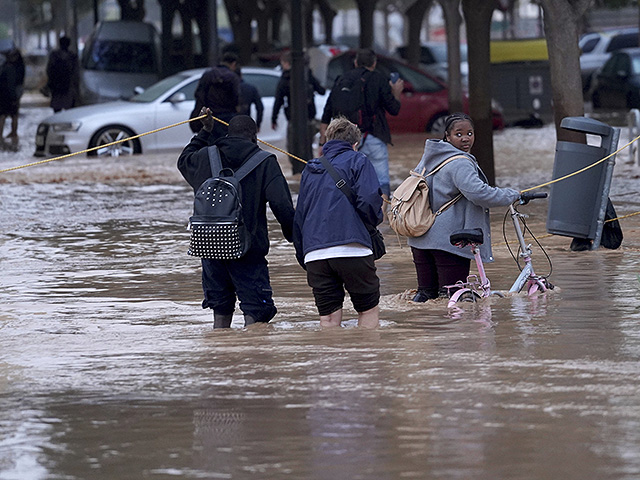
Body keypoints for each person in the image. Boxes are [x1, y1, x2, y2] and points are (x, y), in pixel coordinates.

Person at [178, 110, 295, 329]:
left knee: (220, 308)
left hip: (211, 248)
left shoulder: (205, 156)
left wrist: (205, 131)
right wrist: (294, 237)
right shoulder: (265, 161)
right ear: (254, 137)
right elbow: (282, 205)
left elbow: (183, 160)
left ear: (228, 133)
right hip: (248, 251)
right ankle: (251, 359)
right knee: (257, 312)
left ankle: (222, 357)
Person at [407, 113, 521, 302]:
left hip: (420, 238)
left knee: (426, 298)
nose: (466, 138)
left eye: (469, 133)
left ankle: (422, 331)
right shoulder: (460, 162)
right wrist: (513, 195)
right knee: (453, 299)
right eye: (458, 134)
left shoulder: (428, 159)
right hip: (449, 242)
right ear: (447, 136)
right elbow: (480, 194)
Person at [293, 117, 383, 329]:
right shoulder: (359, 161)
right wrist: (372, 223)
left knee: (328, 319)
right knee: (368, 311)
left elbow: (300, 216)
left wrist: (304, 254)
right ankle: (368, 361)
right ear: (355, 144)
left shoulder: (310, 169)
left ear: (327, 140)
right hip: (353, 249)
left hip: (315, 254)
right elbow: (369, 202)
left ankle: (332, 358)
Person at [319, 48, 403, 202]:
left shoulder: (341, 79)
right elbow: (394, 109)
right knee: (381, 181)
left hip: (344, 140)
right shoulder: (378, 79)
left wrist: (322, 143)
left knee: (347, 179)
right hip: (373, 136)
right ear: (374, 63)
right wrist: (396, 93)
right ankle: (381, 219)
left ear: (356, 62)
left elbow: (326, 113)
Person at [271, 50, 326, 175]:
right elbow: (321, 90)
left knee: (293, 148)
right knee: (308, 148)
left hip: (294, 120)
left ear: (286, 63)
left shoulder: (285, 78)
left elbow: (278, 100)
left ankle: (298, 172)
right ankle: (310, 172)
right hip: (309, 118)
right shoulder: (307, 75)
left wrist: (274, 118)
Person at [189, 52, 241, 137]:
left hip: (209, 116)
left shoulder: (208, 75)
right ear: (233, 64)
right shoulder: (233, 77)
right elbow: (236, 98)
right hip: (227, 117)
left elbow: (199, 94)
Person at [46, 36, 80, 113]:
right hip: (68, 86)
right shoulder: (72, 56)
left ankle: (57, 122)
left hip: (56, 86)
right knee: (69, 109)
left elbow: (49, 70)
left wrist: (50, 83)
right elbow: (76, 73)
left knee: (57, 109)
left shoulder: (54, 55)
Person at [0, 48, 25, 141]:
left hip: (7, 95)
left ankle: (9, 134)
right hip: (10, 95)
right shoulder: (19, 67)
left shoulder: (9, 67)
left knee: (4, 115)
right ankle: (13, 133)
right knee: (13, 115)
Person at [236, 67, 264, 132]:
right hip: (246, 122)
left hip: (228, 123)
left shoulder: (225, 89)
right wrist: (258, 124)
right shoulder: (250, 88)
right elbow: (260, 107)